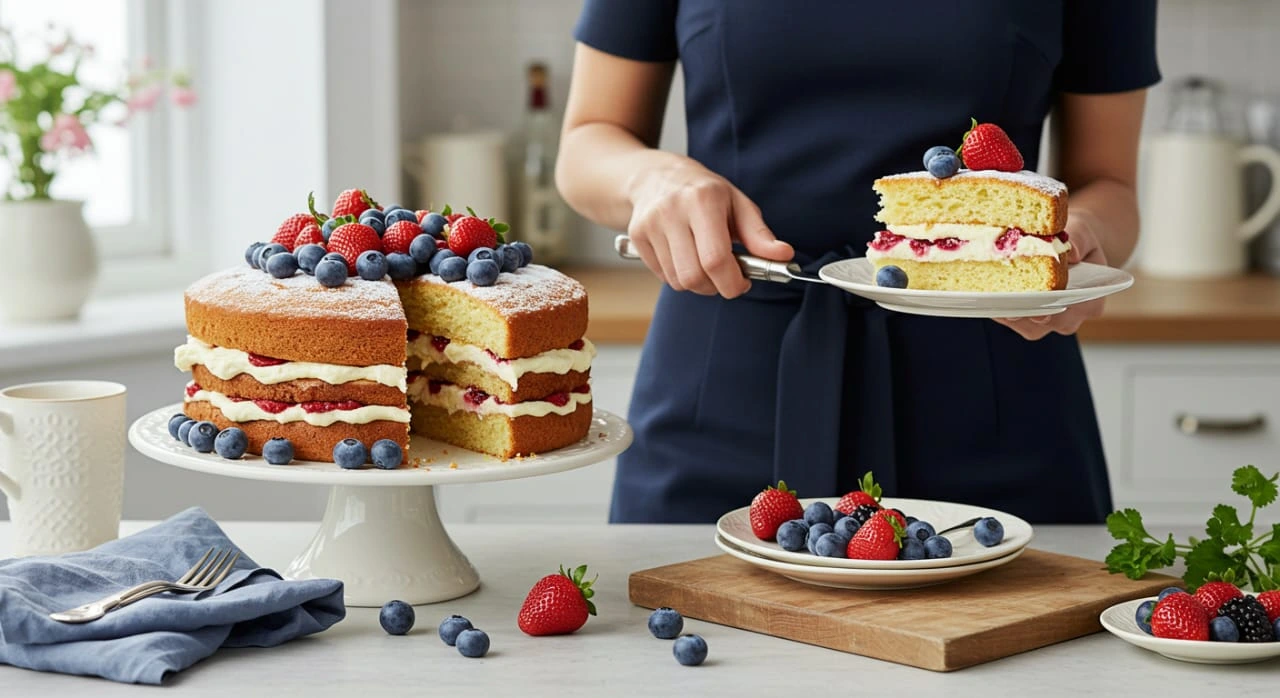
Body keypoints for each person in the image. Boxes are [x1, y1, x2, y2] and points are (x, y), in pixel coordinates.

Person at [555, 2, 1159, 524]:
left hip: (998, 384)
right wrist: (652, 178)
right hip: (724, 380)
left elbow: (1108, 184)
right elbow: (588, 142)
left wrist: (1073, 236)